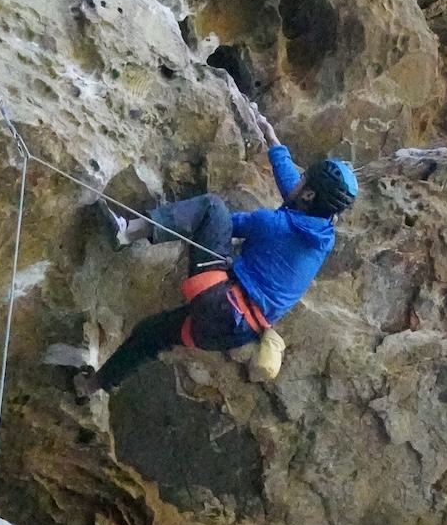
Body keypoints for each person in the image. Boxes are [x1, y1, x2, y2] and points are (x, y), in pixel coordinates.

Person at [75, 107, 357, 397]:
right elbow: (293, 192)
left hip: (220, 301)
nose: (297, 180)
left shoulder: (273, 225)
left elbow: (221, 225)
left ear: (309, 194)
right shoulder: (323, 235)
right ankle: (89, 387)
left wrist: (184, 218)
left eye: (303, 179)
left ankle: (127, 231)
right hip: (231, 333)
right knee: (151, 333)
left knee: (212, 208)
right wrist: (273, 141)